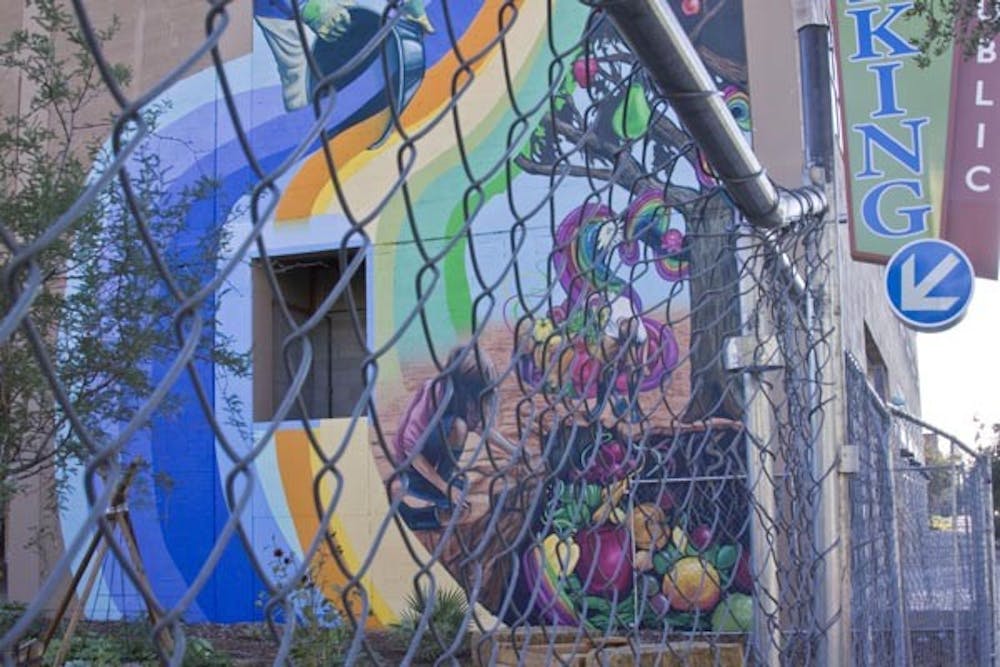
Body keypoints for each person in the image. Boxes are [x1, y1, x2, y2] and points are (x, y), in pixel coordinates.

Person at [391, 347, 518, 531]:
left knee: (463, 488)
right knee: (459, 426)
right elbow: (410, 449)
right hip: (410, 466)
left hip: (431, 463)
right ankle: (416, 509)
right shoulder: (435, 390)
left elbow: (482, 429)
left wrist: (514, 450)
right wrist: (445, 488)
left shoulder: (464, 396)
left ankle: (434, 495)